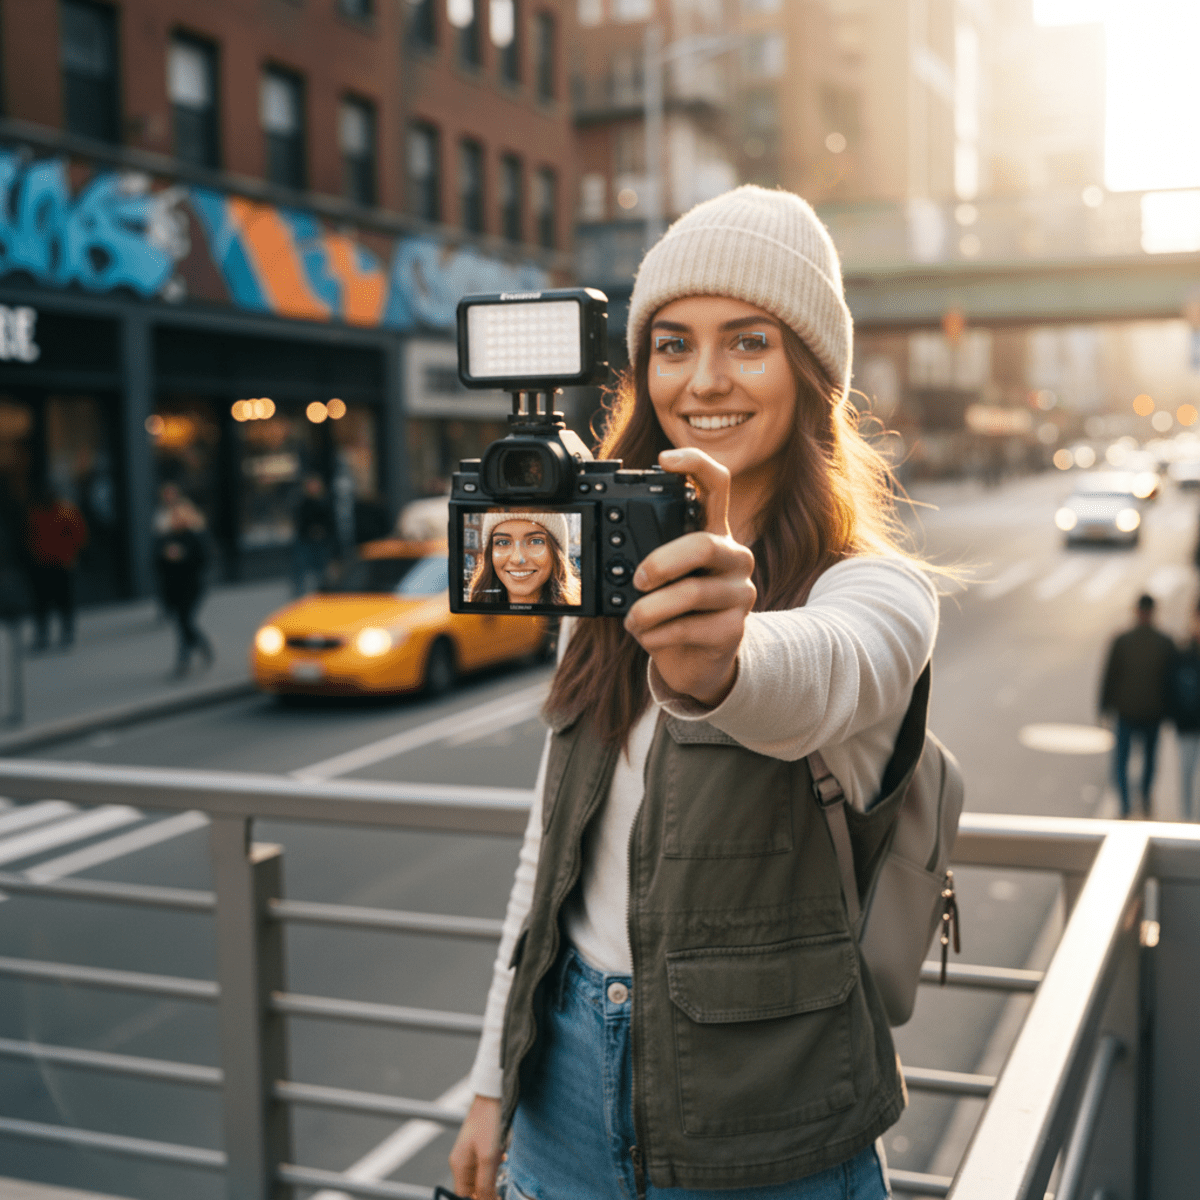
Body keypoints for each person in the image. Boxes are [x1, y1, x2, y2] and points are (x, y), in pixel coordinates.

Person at [449, 186, 940, 1200]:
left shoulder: (878, 589)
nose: (703, 378)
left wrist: (719, 664)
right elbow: (549, 859)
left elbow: (822, 670)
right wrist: (492, 1081)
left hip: (772, 1123)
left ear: (811, 375)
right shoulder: (601, 576)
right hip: (564, 1084)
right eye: (671, 345)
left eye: (748, 342)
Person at [1099, 593, 1175, 819]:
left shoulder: (1123, 640)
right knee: (1149, 760)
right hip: (1152, 711)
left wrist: (1104, 706)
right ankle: (1143, 797)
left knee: (1122, 760)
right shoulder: (1164, 642)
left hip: (1127, 711)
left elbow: (1109, 676)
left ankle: (1125, 804)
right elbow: (1171, 681)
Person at [468, 511, 581, 607]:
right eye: (503, 542)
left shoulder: (578, 624)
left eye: (536, 541)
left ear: (556, 554)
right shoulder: (467, 621)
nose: (517, 559)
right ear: (490, 553)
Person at [155, 498, 214, 677]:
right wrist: (166, 557)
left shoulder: (196, 536)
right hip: (173, 588)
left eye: (180, 515)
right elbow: (156, 561)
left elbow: (204, 560)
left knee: (184, 622)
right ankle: (201, 646)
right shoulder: (166, 537)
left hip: (192, 587)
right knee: (183, 623)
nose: (177, 519)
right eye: (174, 516)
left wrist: (183, 556)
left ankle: (184, 660)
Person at [25, 487, 88, 650]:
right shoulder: (36, 513)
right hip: (42, 564)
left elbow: (79, 534)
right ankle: (42, 635)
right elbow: (30, 536)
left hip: (63, 563)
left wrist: (71, 552)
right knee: (41, 603)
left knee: (65, 600)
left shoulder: (66, 511)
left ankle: (67, 632)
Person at [1169, 604, 1200, 821]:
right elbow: (1171, 687)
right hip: (1188, 724)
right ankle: (1187, 819)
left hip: (1188, 722)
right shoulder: (1182, 652)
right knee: (1186, 773)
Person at [291, 474, 336, 596]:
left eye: (316, 485)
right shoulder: (302, 502)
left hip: (321, 542)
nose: (313, 488)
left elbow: (330, 522)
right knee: (301, 569)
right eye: (311, 485)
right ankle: (299, 596)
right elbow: (300, 521)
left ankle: (321, 594)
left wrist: (323, 532)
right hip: (305, 540)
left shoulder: (325, 502)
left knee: (321, 571)